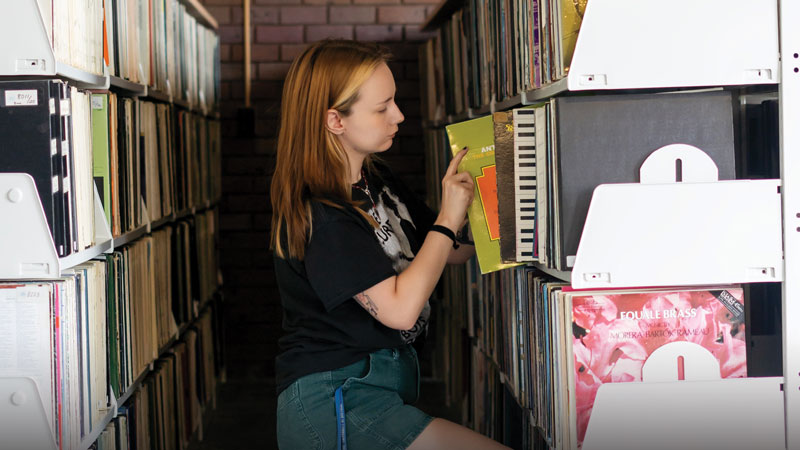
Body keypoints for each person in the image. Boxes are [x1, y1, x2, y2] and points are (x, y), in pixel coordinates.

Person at [270, 39, 509, 450]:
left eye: (394, 101)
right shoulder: (323, 216)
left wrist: (512, 214)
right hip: (337, 400)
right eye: (382, 108)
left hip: (375, 386)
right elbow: (399, 310)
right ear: (335, 120)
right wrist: (449, 216)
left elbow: (446, 250)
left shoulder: (374, 180)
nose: (398, 115)